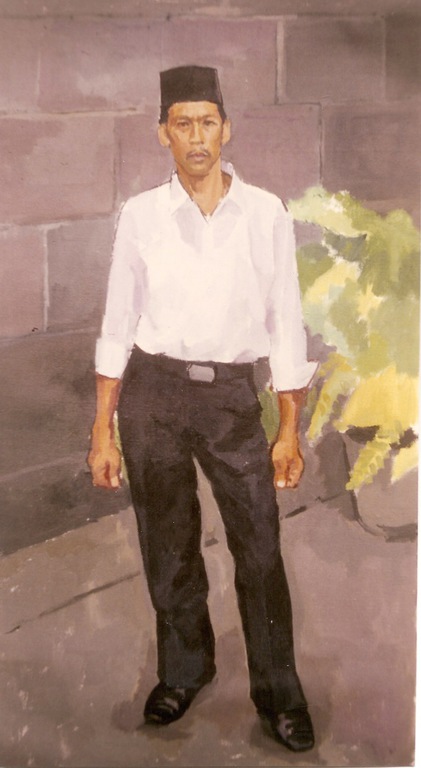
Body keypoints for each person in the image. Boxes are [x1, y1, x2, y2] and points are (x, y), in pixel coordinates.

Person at [88, 65, 317, 753]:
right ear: (163, 133)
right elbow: (116, 323)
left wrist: (288, 430)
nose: (196, 137)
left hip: (229, 399)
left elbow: (286, 324)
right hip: (152, 396)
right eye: (182, 124)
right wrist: (102, 429)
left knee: (258, 548)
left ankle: (279, 694)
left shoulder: (266, 213)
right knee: (169, 546)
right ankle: (184, 671)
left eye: (207, 123)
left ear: (227, 129)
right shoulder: (140, 216)